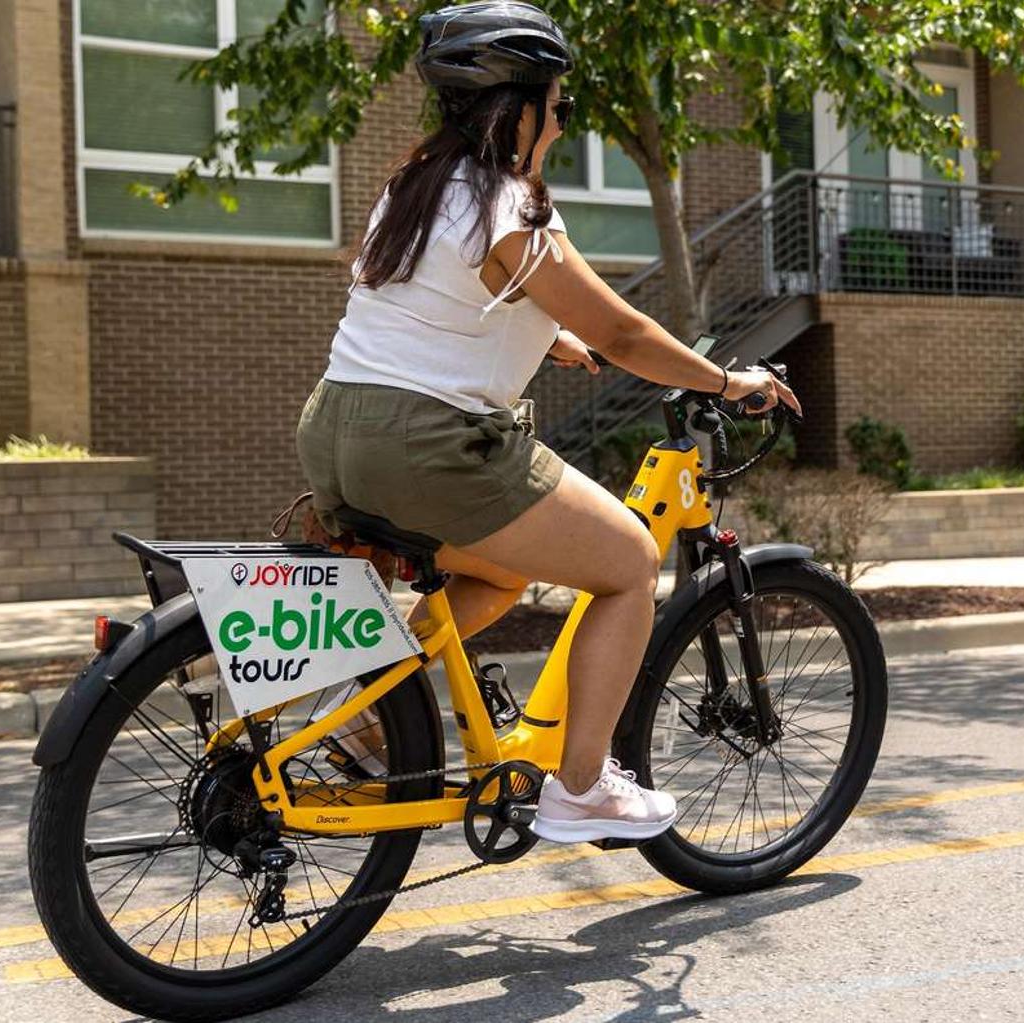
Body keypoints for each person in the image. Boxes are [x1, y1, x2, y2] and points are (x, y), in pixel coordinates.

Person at [295, 1, 800, 844]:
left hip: (338, 433)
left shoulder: (413, 188)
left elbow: (437, 299)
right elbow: (626, 332)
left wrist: (541, 329)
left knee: (496, 574)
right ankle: (583, 787)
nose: (562, 124)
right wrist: (724, 377)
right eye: (560, 106)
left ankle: (365, 710)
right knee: (629, 562)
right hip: (433, 447)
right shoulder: (511, 204)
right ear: (519, 108)